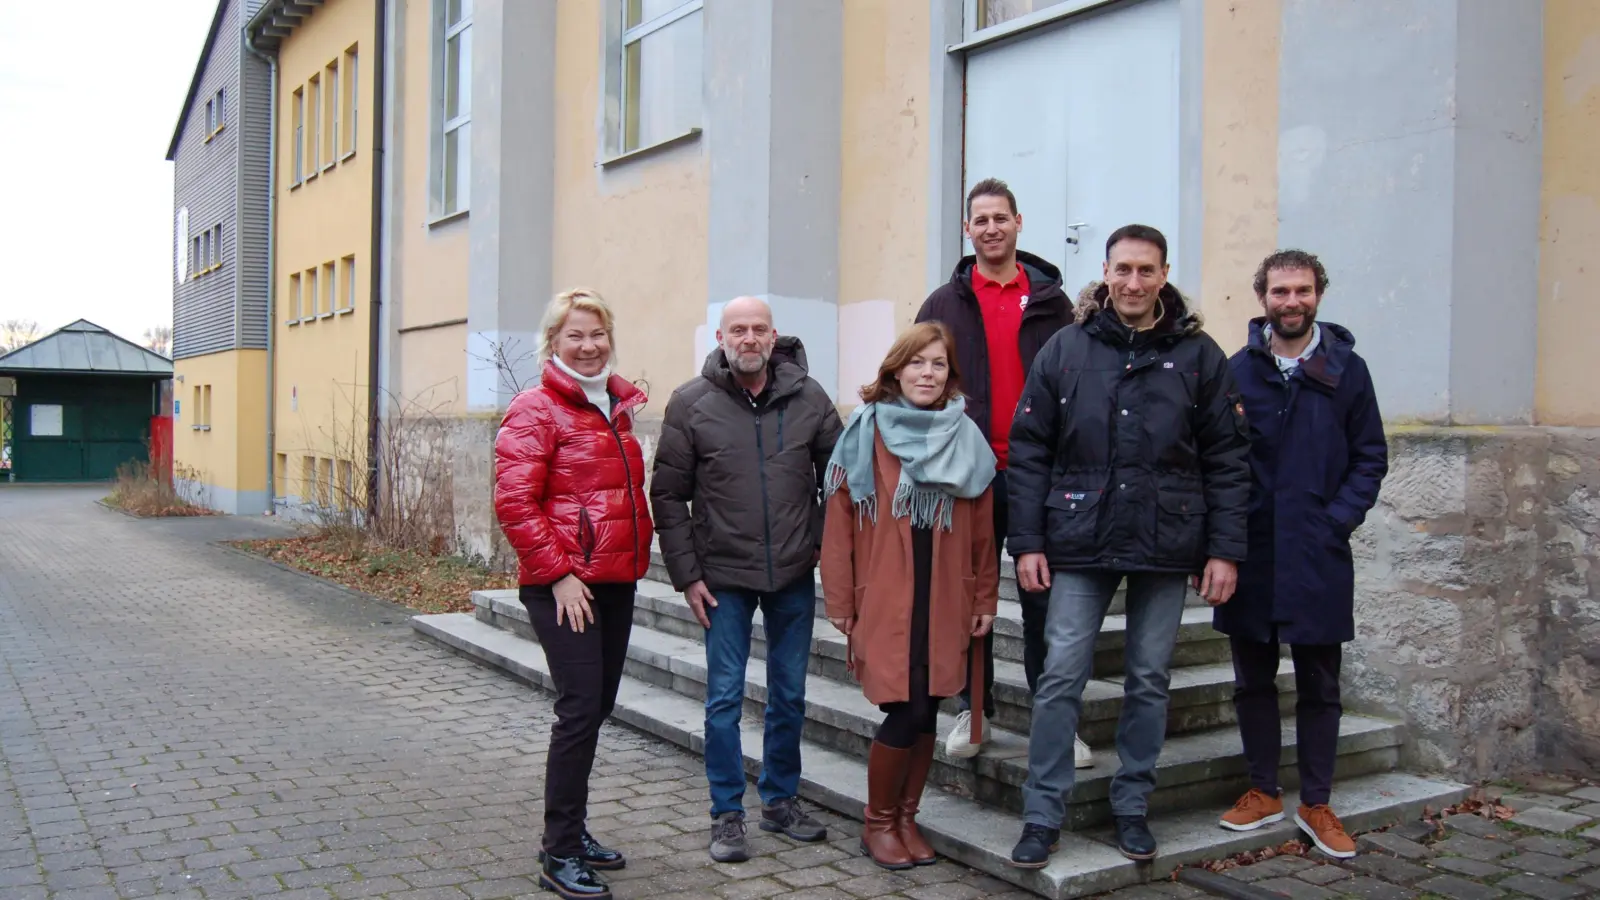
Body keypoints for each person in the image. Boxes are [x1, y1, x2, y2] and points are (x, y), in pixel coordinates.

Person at [1005, 225, 1252, 867]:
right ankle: (1042, 813)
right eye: (1123, 270)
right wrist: (1027, 540)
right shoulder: (1066, 348)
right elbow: (1030, 451)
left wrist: (1224, 550)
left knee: (1148, 678)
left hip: (1168, 540)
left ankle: (1132, 806)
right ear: (1105, 273)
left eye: (1146, 271)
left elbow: (1227, 457)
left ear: (1164, 273)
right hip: (1079, 537)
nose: (1133, 283)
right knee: (1060, 676)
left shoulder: (1199, 355)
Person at [650, 297, 844, 863]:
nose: (750, 338)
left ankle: (781, 801)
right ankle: (727, 814)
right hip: (723, 576)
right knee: (724, 699)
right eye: (739, 329)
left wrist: (816, 538)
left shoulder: (810, 398)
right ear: (721, 336)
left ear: (774, 335)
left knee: (790, 694)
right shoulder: (691, 403)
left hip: (790, 572)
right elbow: (667, 494)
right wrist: (687, 576)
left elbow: (839, 478)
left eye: (759, 328)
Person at [1215, 251, 1387, 859]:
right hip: (1253, 551)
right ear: (1262, 296)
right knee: (1252, 681)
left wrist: (1335, 520)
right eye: (1281, 291)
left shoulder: (1347, 368)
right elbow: (1222, 459)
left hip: (1317, 552)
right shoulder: (1238, 370)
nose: (1292, 301)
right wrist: (1224, 541)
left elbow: (1370, 456)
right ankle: (1263, 789)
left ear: (1320, 294)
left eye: (1304, 290)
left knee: (1319, 683)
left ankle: (1317, 800)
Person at [915, 177, 1089, 767]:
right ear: (968, 230)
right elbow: (916, 379)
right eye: (980, 220)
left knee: (1048, 600)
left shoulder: (1052, 302)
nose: (991, 228)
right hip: (971, 474)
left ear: (1019, 223)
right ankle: (973, 708)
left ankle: (1056, 716)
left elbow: (1078, 383)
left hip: (1040, 473)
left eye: (1000, 218)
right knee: (971, 596)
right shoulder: (943, 303)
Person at [820, 322, 1001, 870]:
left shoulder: (965, 436)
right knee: (904, 707)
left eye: (938, 364)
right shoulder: (864, 433)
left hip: (946, 596)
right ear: (896, 370)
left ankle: (905, 818)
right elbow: (839, 525)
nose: (927, 373)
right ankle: (877, 824)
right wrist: (842, 604)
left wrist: (985, 599)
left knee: (929, 710)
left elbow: (983, 533)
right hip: (886, 597)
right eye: (917, 362)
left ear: (950, 375)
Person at [493, 288, 653, 900]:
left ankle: (575, 832)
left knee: (597, 706)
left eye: (597, 334)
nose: (588, 346)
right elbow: (513, 501)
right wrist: (558, 574)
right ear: (553, 344)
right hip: (564, 585)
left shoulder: (613, 405)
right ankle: (558, 852)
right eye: (574, 336)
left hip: (614, 580)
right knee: (580, 708)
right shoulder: (535, 410)